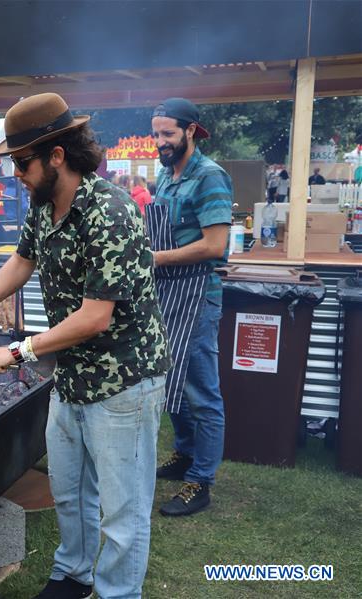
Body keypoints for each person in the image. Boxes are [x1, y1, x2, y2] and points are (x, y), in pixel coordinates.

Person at [0, 93, 169, 599]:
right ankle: (72, 575)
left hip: (124, 380)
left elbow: (96, 318)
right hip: (72, 378)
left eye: (22, 163)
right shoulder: (43, 205)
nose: (17, 174)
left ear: (57, 155)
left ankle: (118, 592)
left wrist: (18, 351)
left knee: (123, 510)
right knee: (70, 492)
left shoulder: (111, 211)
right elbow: (22, 260)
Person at [149, 98, 232, 517]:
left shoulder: (210, 177)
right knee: (173, 380)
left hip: (198, 295)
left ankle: (201, 481)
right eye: (156, 134)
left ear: (191, 131)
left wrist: (156, 259)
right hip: (167, 293)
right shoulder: (165, 176)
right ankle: (184, 454)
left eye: (168, 133)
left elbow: (215, 245)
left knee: (202, 392)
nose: (160, 141)